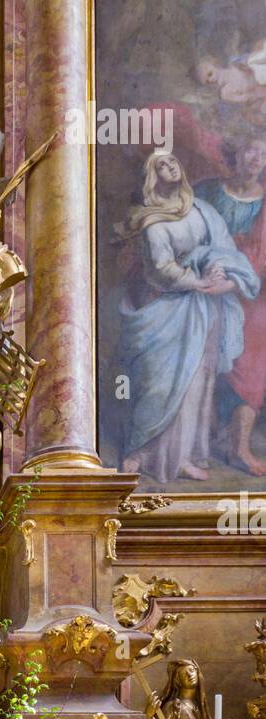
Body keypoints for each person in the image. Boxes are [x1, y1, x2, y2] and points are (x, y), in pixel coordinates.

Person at [117, 151, 259, 482]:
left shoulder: (203, 211)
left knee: (197, 385)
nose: (170, 167)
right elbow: (163, 269)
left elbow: (225, 251)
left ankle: (182, 456)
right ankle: (142, 451)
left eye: (172, 162)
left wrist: (223, 278)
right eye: (161, 165)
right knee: (162, 383)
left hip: (204, 312)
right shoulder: (153, 221)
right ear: (152, 176)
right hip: (168, 310)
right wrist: (198, 281)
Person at [197, 138, 266, 473]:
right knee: (198, 352)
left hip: (251, 288)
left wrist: (238, 276)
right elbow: (186, 234)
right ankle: (205, 437)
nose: (257, 158)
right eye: (252, 148)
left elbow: (261, 253)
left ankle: (239, 447)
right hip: (205, 281)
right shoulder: (207, 191)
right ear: (236, 152)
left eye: (265, 154)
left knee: (252, 359)